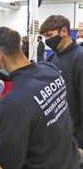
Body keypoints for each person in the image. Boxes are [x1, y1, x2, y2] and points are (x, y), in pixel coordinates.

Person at [0, 26, 80, 168]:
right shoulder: (50, 69)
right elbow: (28, 77)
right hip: (69, 160)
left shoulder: (13, 102)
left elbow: (9, 160)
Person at [40, 15, 83, 157]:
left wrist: (80, 140)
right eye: (44, 37)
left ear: (63, 31)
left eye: (49, 35)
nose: (47, 41)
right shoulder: (54, 57)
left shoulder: (79, 58)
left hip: (75, 135)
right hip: (59, 130)